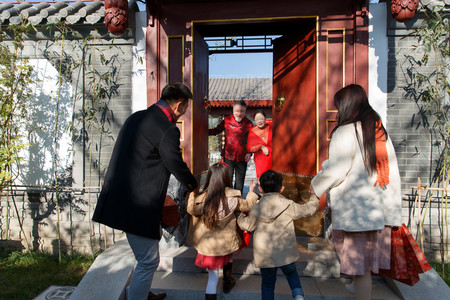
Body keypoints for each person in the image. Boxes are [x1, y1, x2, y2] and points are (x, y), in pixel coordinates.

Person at [92, 82, 198, 300]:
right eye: (186, 108)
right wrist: (193, 185)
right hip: (139, 204)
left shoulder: (135, 118)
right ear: (179, 105)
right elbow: (175, 163)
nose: (185, 113)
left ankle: (143, 292)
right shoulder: (167, 128)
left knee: (144, 255)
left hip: (118, 197)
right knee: (148, 260)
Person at [309, 84, 402, 300]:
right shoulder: (378, 130)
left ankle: (362, 294)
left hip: (356, 209)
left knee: (360, 267)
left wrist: (316, 185)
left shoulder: (346, 131)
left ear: (347, 105)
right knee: (365, 262)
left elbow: (337, 168)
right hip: (376, 207)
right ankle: (357, 286)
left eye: (339, 106)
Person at [238, 170, 319, 300]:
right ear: (281, 188)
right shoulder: (288, 205)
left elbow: (248, 225)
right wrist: (314, 197)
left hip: (265, 256)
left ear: (260, 189)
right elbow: (308, 210)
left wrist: (240, 217)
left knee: (268, 285)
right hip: (285, 252)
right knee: (292, 274)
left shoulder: (257, 208)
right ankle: (299, 297)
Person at [187, 162, 258, 300]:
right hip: (227, 242)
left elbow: (190, 209)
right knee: (228, 256)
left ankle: (217, 289)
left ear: (209, 178)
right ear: (226, 178)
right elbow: (248, 205)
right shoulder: (233, 198)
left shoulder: (202, 200)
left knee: (212, 279)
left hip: (209, 245)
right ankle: (227, 280)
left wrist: (192, 194)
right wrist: (251, 192)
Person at [209, 100, 253, 193]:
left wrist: (250, 152)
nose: (239, 113)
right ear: (233, 111)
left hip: (242, 157)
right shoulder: (227, 120)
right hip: (228, 156)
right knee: (227, 181)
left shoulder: (249, 123)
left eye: (242, 111)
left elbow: (252, 140)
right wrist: (202, 131)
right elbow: (216, 130)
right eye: (237, 111)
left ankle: (238, 203)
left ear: (245, 112)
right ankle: (227, 202)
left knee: (239, 183)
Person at [246, 110, 272, 181]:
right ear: (254, 120)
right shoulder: (252, 131)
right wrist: (261, 146)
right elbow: (249, 148)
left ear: (265, 118)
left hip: (273, 160)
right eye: (257, 119)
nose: (259, 121)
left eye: (261, 118)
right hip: (260, 162)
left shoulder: (271, 128)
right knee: (263, 181)